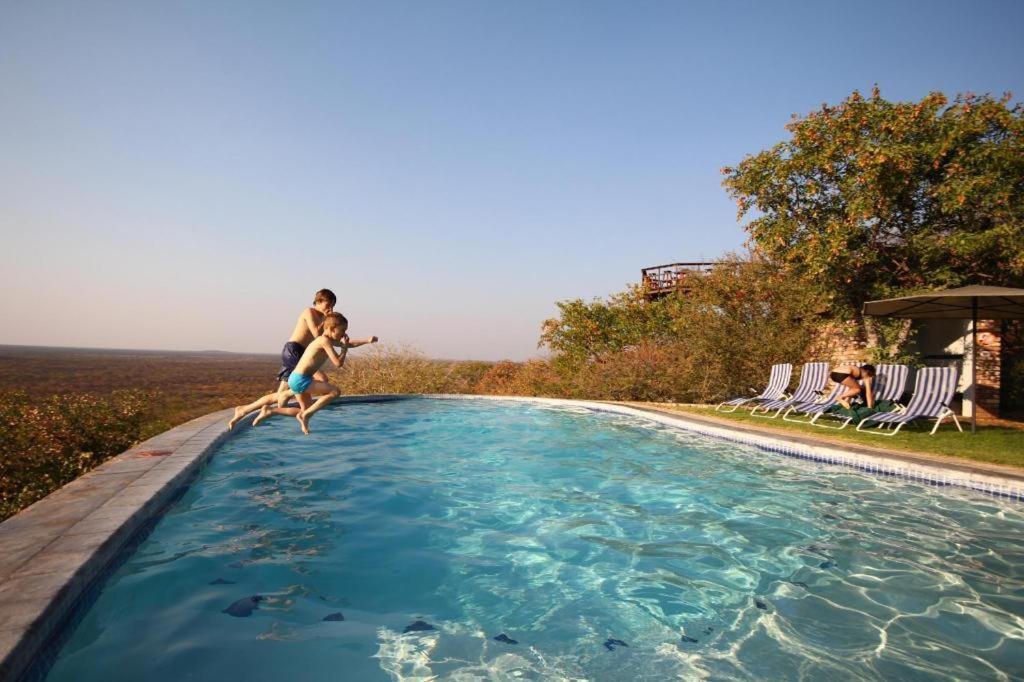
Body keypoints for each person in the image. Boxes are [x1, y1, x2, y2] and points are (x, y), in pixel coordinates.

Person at [229, 313, 378, 434]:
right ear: (332, 329)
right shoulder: (323, 341)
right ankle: (304, 415)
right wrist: (344, 348)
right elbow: (338, 363)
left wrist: (367, 340)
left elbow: (350, 343)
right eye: (342, 331)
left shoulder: (328, 340)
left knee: (303, 409)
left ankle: (271, 411)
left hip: (299, 378)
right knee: (334, 392)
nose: (344, 334)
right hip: (300, 379)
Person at [274, 289, 337, 406]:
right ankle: (289, 397)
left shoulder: (323, 318)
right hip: (293, 350)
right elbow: (317, 335)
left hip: (303, 352)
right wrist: (325, 320)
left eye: (332, 306)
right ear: (318, 301)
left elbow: (327, 338)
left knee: (282, 391)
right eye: (328, 305)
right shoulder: (309, 312)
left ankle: (264, 411)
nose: (330, 309)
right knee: (322, 378)